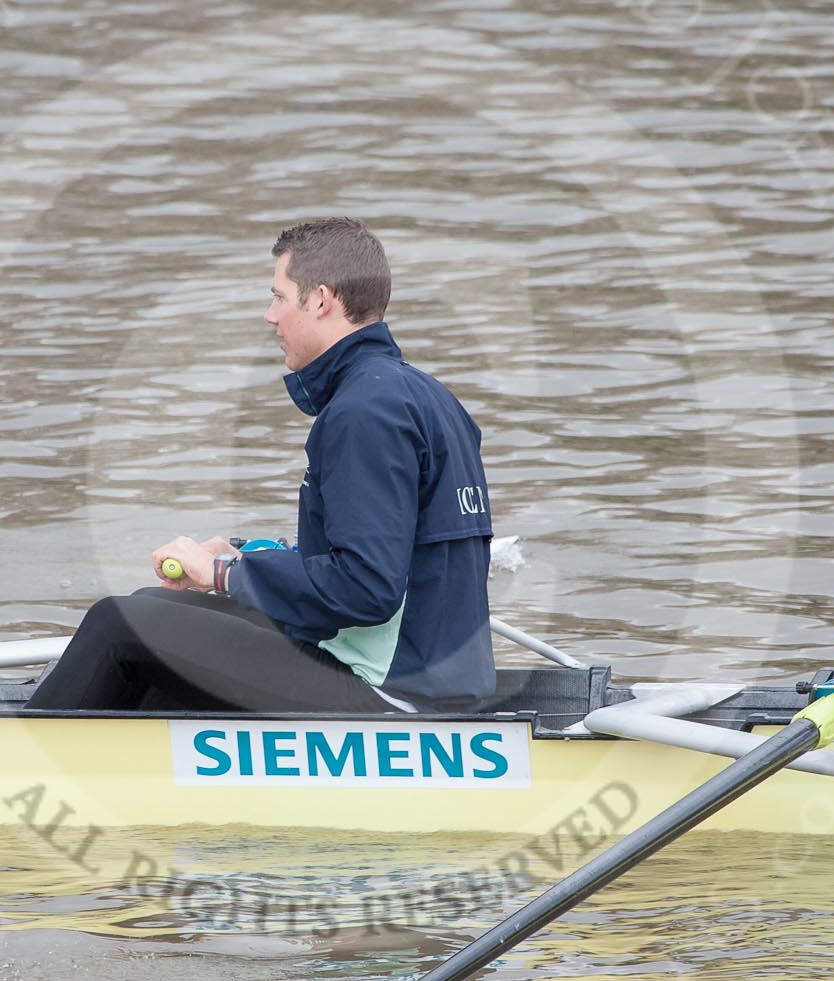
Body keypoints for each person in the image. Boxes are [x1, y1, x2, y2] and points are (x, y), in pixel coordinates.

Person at [29, 217, 495, 714]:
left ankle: (22, 759)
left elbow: (366, 589)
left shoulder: (364, 412)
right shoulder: (422, 395)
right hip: (433, 673)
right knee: (156, 604)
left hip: (392, 692)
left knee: (119, 623)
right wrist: (249, 556)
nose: (269, 315)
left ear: (320, 300)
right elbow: (387, 551)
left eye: (278, 296)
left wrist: (224, 574)